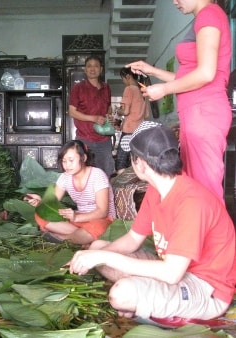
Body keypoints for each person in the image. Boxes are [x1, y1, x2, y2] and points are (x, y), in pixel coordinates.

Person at [68, 122, 236, 321]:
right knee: (98, 247)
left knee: (121, 294)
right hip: (174, 269)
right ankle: (148, 300)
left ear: (139, 163)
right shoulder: (156, 190)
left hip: (206, 288)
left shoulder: (191, 202)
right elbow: (132, 239)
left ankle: (144, 299)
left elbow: (172, 273)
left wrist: (103, 258)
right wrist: (94, 255)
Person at [126, 0, 231, 201]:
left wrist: (164, 89)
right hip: (197, 111)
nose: (175, 1)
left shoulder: (210, 14)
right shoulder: (203, 18)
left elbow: (206, 74)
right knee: (196, 187)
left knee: (205, 190)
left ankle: (215, 232)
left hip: (204, 111)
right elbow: (189, 77)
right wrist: (152, 70)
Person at [25, 140, 116, 246]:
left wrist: (76, 218)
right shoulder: (65, 177)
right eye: (64, 161)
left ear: (84, 158)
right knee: (40, 215)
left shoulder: (97, 175)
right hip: (78, 219)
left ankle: (62, 239)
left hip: (101, 220)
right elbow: (52, 202)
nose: (67, 165)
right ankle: (81, 238)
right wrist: (40, 202)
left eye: (71, 160)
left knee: (97, 228)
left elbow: (102, 212)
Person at [69, 55, 115, 177]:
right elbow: (72, 112)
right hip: (85, 138)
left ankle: (104, 196)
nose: (92, 69)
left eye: (96, 66)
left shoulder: (106, 88)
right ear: (85, 69)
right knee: (83, 174)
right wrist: (93, 118)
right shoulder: (78, 88)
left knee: (106, 174)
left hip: (104, 140)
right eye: (89, 66)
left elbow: (108, 108)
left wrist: (109, 116)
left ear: (101, 69)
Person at [114, 67, 147, 175]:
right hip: (140, 131)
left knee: (121, 161)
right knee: (136, 161)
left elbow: (125, 111)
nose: (123, 82)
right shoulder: (142, 91)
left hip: (129, 131)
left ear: (127, 76)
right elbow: (146, 114)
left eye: (123, 79)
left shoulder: (129, 89)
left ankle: (122, 188)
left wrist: (118, 111)